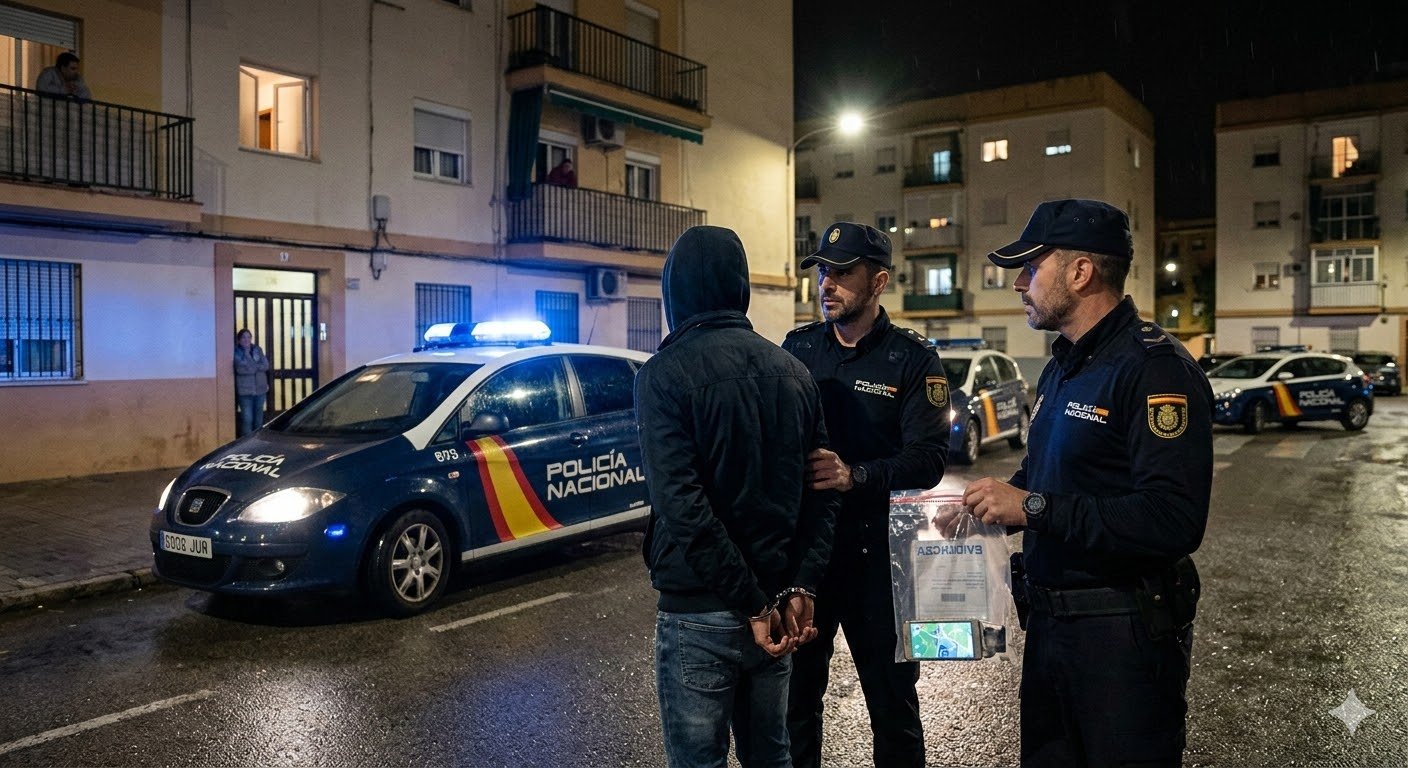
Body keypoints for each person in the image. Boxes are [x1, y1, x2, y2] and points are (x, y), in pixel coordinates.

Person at [962, 199, 1213, 765]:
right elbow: (1045, 476)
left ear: (1080, 272)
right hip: (1052, 627)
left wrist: (1034, 507)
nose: (1020, 284)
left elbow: (1173, 519)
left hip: (1122, 635)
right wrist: (990, 501)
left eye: (1031, 268)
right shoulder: (1063, 365)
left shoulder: (1155, 369)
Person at [636, 224, 840, 767]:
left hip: (704, 609)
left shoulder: (662, 376)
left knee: (699, 760)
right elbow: (822, 496)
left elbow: (684, 508)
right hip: (775, 607)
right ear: (740, 286)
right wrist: (800, 583)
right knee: (771, 754)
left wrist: (749, 600)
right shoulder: (794, 374)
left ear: (674, 291)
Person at [784, 222, 952, 768]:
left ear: (878, 281)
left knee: (892, 704)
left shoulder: (913, 360)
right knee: (795, 702)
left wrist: (854, 475)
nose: (826, 283)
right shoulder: (798, 348)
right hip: (807, 558)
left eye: (842, 272)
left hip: (880, 562)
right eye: (822, 271)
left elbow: (929, 461)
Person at [234, 328, 271, 437]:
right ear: (239, 340)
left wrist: (252, 366)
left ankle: (257, 442)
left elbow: (266, 365)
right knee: (247, 419)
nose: (246, 339)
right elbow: (240, 368)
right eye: (243, 337)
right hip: (245, 391)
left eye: (248, 337)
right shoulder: (236, 352)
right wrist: (249, 358)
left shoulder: (257, 349)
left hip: (260, 389)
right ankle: (246, 444)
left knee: (258, 419)